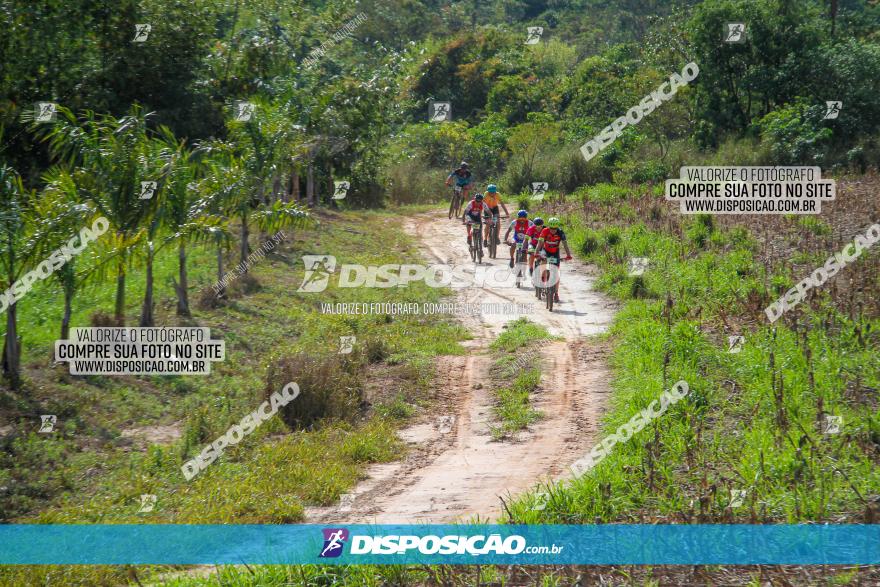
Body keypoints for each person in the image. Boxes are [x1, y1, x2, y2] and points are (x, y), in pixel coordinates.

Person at [534, 217, 573, 302]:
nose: (553, 230)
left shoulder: (560, 232)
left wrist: (569, 255)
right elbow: (539, 243)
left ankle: (556, 293)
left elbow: (565, 244)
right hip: (545, 250)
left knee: (557, 273)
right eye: (551, 228)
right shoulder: (544, 231)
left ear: (557, 227)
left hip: (555, 252)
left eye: (555, 228)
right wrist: (537, 252)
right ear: (549, 227)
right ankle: (542, 278)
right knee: (543, 261)